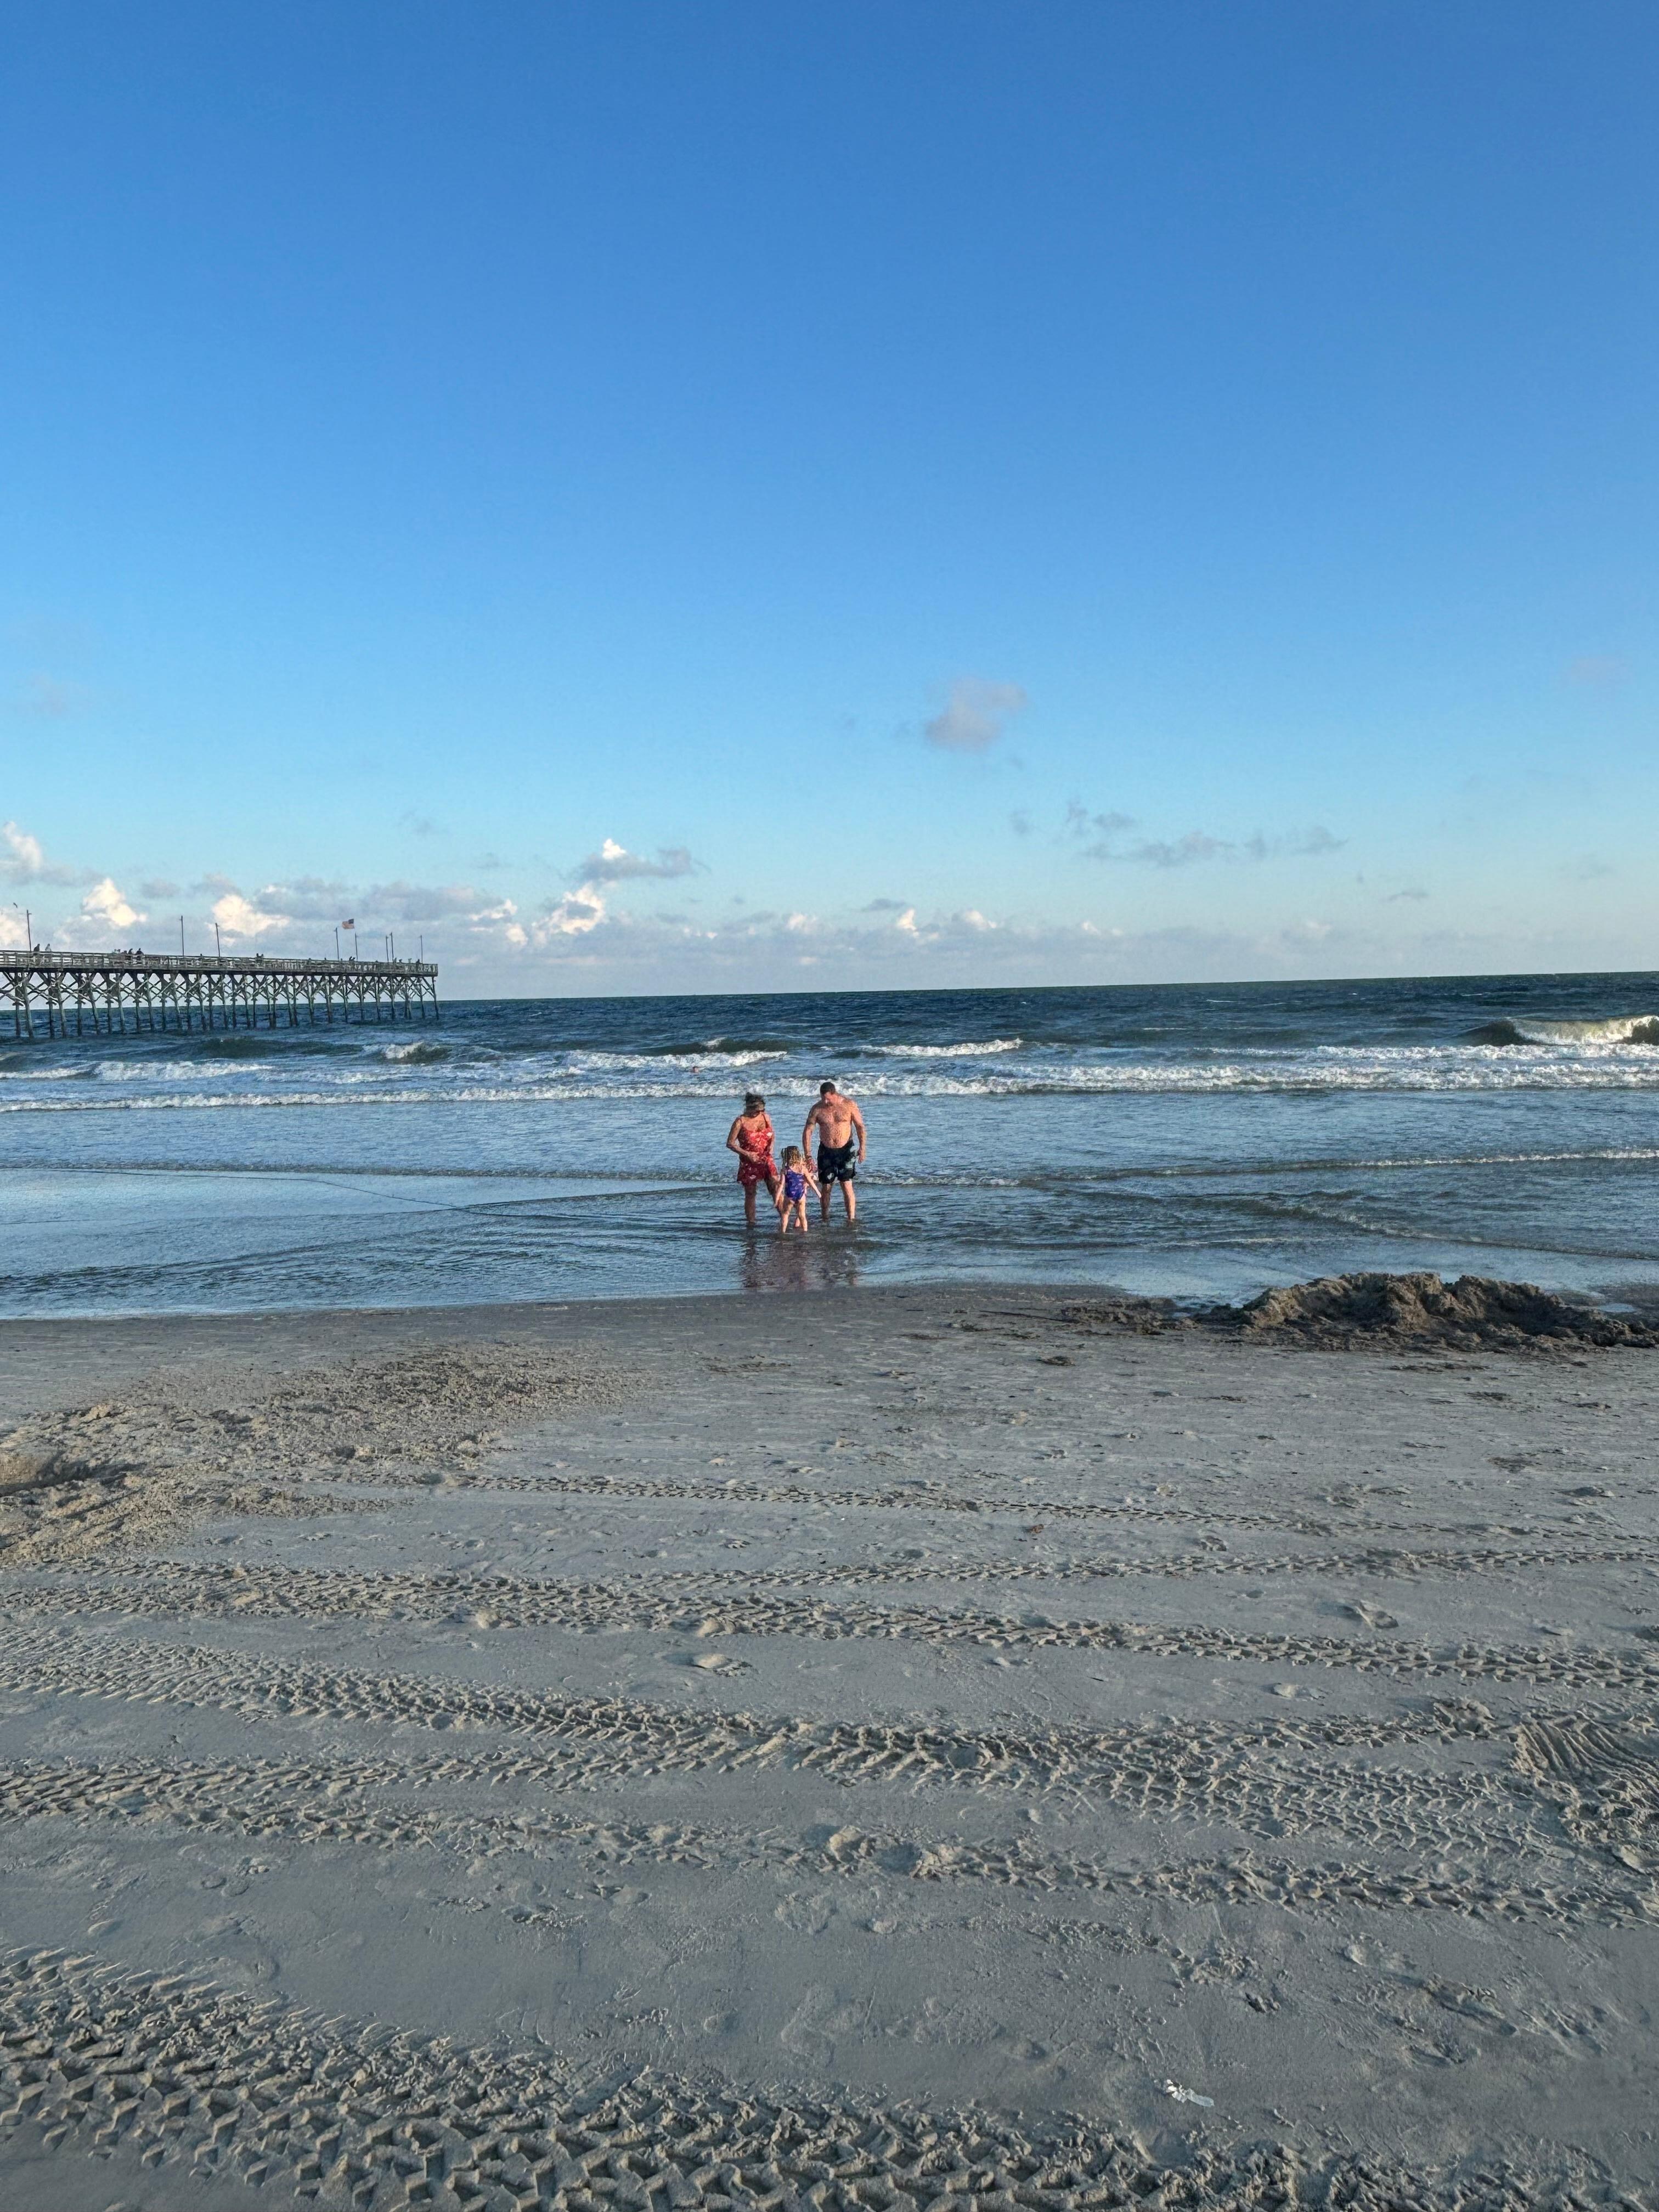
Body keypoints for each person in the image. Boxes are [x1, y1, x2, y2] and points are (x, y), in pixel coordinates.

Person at [803, 1079, 866, 1223]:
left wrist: (862, 1148)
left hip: (846, 1150)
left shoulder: (849, 1105)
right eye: (823, 1099)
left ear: (834, 1094)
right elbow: (808, 1131)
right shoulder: (817, 1109)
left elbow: (860, 1127)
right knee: (826, 1187)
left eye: (828, 1099)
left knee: (847, 1185)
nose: (825, 1102)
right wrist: (808, 1155)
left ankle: (851, 1219)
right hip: (826, 1151)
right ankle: (825, 1218)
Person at [726, 1091, 778, 1226]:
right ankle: (751, 1223)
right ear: (749, 1108)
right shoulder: (740, 1122)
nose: (759, 1113)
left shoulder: (766, 1117)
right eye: (757, 1111)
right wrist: (747, 1154)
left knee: (775, 1188)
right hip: (749, 1161)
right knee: (751, 1193)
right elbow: (730, 1143)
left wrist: (771, 1147)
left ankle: (785, 1217)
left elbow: (772, 1134)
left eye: (761, 1110)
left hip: (766, 1158)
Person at [775, 1145, 819, 1235]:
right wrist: (818, 1193)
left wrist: (777, 1199)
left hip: (790, 1194)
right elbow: (811, 1182)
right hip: (801, 1195)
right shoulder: (802, 1169)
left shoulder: (785, 1170)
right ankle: (805, 1232)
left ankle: (782, 1233)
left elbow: (781, 1185)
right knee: (802, 1216)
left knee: (785, 1214)